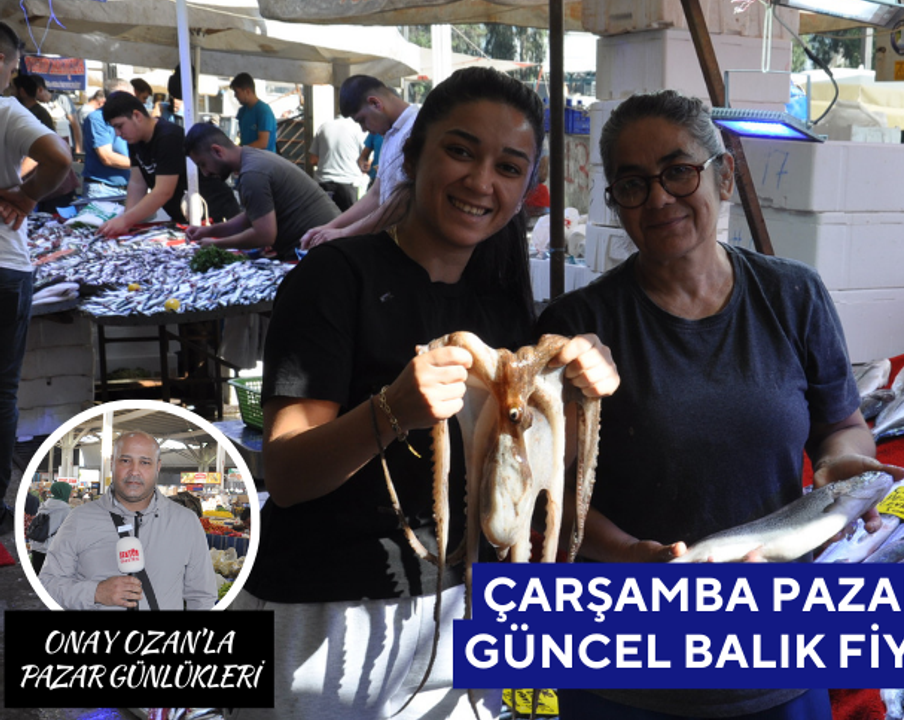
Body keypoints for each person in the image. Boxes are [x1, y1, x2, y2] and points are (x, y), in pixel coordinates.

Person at [228, 66, 618, 720]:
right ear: (411, 157)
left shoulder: (502, 308)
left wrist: (579, 394)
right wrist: (391, 411)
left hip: (457, 617)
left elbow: (523, 473)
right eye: (461, 151)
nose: (481, 181)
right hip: (325, 622)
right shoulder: (334, 277)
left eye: (508, 167)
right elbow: (286, 474)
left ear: (527, 186)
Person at [536, 90, 904, 720]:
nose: (659, 199)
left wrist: (840, 462)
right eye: (633, 184)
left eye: (679, 171)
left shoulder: (793, 294)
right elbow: (549, 492)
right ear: (616, 202)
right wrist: (631, 555)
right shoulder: (578, 326)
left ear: (724, 176)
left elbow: (841, 424)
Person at [0, 22, 72, 534]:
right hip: (4, 265)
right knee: (2, 391)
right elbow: (60, 159)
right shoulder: (5, 111)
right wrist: (26, 196)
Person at [39, 431, 218, 610]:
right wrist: (95, 592)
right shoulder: (79, 519)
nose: (134, 471)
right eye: (125, 461)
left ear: (158, 467)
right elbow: (47, 584)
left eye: (145, 462)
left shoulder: (185, 522)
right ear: (112, 463)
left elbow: (202, 596)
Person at [184, 123, 341, 260]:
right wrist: (208, 231)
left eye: (203, 164)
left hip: (323, 251)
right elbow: (253, 216)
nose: (205, 173)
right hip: (323, 246)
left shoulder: (252, 174)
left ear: (217, 151)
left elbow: (264, 235)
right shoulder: (251, 158)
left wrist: (217, 244)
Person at [298, 75, 418, 248]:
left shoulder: (418, 129)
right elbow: (377, 193)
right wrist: (330, 227)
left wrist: (343, 233)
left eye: (362, 120)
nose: (363, 129)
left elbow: (401, 204)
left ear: (375, 103)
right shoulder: (392, 133)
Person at [97, 91, 239, 237]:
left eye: (120, 126)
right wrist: (126, 222)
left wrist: (125, 221)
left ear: (137, 115)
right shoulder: (134, 140)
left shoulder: (168, 137)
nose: (118, 133)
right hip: (185, 220)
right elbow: (137, 183)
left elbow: (164, 191)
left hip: (216, 216)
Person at [81, 78, 132, 199]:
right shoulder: (97, 118)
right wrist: (142, 164)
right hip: (103, 190)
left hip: (126, 188)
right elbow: (107, 158)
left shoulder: (129, 117)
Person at [309, 115, 366, 211]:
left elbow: (313, 160)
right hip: (348, 183)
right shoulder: (358, 128)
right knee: (349, 219)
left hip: (323, 183)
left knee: (325, 218)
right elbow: (367, 160)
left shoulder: (324, 126)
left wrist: (328, 162)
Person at [29, 480, 73, 573]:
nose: (71, 494)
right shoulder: (65, 509)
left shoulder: (45, 505)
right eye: (70, 492)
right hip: (52, 549)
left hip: (36, 545)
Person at [230, 73, 276, 152]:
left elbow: (262, 143)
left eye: (237, 92)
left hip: (263, 158)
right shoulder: (242, 111)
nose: (235, 96)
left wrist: (240, 150)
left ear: (247, 91)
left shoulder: (263, 111)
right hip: (247, 156)